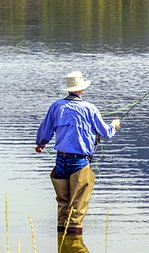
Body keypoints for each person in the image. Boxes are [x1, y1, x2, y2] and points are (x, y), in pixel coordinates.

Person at [35, 71, 120, 235]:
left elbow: (46, 130)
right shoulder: (90, 108)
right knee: (77, 210)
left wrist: (40, 144)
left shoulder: (56, 106)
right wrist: (114, 125)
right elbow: (106, 132)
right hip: (80, 163)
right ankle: (73, 243)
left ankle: (62, 239)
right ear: (81, 90)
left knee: (63, 205)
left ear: (68, 89)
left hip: (60, 160)